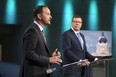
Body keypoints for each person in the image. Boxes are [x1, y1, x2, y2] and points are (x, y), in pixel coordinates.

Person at [19, 5, 62, 77]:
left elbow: (38, 53)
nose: (50, 17)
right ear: (39, 16)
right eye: (48, 14)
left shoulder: (38, 30)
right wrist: (49, 60)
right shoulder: (32, 30)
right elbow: (29, 53)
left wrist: (51, 57)